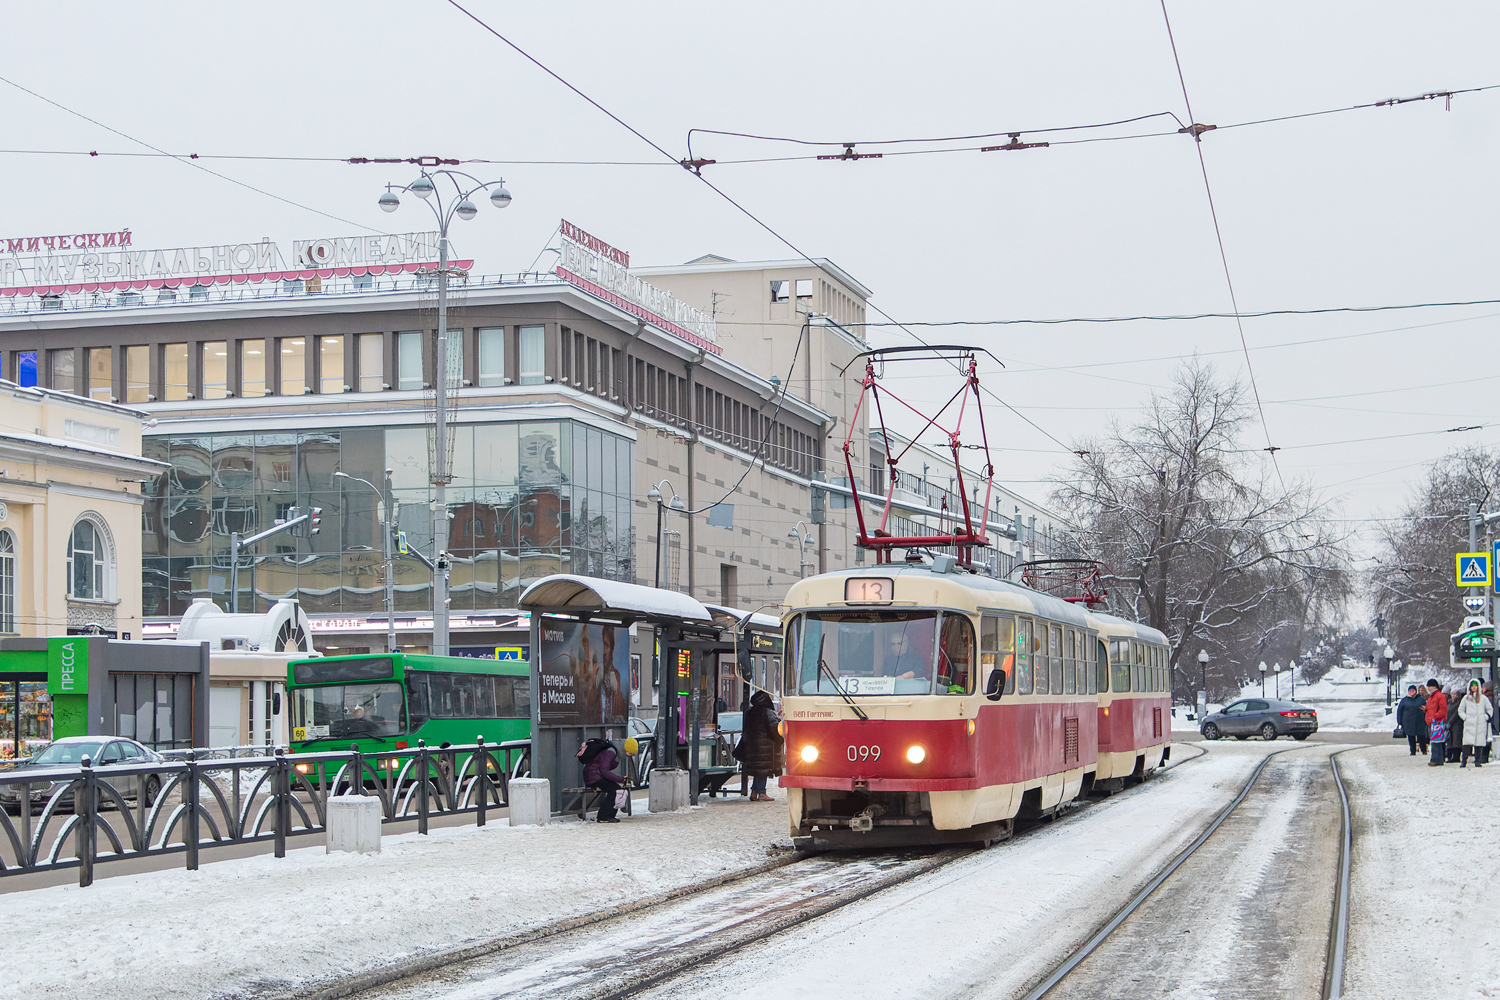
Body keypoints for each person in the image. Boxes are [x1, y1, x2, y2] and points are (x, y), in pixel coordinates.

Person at [734, 690, 784, 802]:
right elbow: (774, 729)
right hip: (765, 746)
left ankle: (754, 792)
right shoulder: (767, 712)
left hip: (752, 746)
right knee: (763, 769)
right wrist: (780, 739)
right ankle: (761, 792)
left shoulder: (750, 712)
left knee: (758, 769)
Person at [578, 738, 625, 822]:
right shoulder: (610, 752)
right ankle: (604, 817)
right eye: (630, 752)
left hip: (593, 774)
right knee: (615, 790)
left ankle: (608, 816)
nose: (629, 755)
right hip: (593, 775)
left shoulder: (614, 751)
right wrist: (620, 779)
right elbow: (604, 771)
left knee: (616, 789)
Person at [1458, 679, 1494, 769]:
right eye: (1472, 686)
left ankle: (1477, 761)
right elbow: (1460, 710)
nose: (1474, 687)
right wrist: (1465, 717)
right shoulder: (1466, 698)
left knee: (1479, 743)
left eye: (1475, 685)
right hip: (1469, 724)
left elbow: (1490, 709)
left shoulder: (1483, 699)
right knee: (1466, 743)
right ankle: (1464, 761)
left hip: (1480, 724)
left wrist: (1486, 717)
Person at [1395, 684, 1429, 756]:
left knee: (1421, 736)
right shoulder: (1404, 700)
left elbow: (1426, 708)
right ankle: (1412, 751)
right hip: (1408, 722)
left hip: (1420, 721)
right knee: (1411, 737)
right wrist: (1399, 721)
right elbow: (1400, 711)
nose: (1411, 692)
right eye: (1410, 690)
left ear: (1415, 691)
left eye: (1413, 690)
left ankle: (1423, 750)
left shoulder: (1421, 699)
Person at [1424, 679, 1449, 767]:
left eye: (1430, 686)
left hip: (1437, 722)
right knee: (1437, 741)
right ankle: (1440, 759)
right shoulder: (1432, 696)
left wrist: (1435, 717)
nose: (1429, 688)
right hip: (1433, 721)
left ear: (1435, 686)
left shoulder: (1438, 696)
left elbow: (1443, 709)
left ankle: (1435, 759)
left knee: (1436, 741)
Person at [1447, 688, 1465, 763]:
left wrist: (1450, 721)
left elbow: (1457, 713)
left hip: (1457, 724)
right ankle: (1451, 756)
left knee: (1456, 740)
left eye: (1455, 694)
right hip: (1450, 723)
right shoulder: (1450, 702)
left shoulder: (1459, 702)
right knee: (1451, 740)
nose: (1453, 695)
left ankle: (1456, 757)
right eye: (1452, 694)